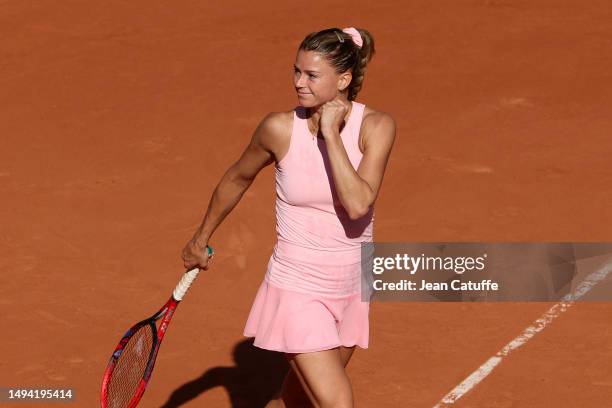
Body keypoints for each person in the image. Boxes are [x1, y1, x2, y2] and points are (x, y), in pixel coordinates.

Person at [182, 26, 396, 408]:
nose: (299, 82)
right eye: (296, 71)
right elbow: (237, 177)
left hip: (352, 281)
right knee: (337, 403)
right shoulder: (279, 129)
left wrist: (331, 134)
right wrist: (200, 238)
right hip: (297, 282)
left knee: (300, 397)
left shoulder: (376, 127)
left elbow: (359, 202)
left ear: (344, 80)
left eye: (312, 75)